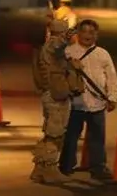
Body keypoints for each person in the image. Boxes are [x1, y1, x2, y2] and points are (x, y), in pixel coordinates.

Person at [60, 19, 117, 180]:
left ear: (96, 35)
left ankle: (98, 167)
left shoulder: (102, 53)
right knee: (71, 136)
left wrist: (112, 97)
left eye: (91, 32)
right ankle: (65, 166)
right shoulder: (68, 53)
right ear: (78, 33)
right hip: (75, 104)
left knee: (97, 138)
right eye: (84, 31)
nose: (87, 35)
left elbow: (112, 77)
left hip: (97, 104)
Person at [30, 19, 83, 184]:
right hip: (55, 96)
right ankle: (50, 170)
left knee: (49, 134)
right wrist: (66, 37)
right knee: (56, 133)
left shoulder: (49, 48)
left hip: (51, 94)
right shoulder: (53, 45)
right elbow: (57, 46)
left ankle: (40, 168)